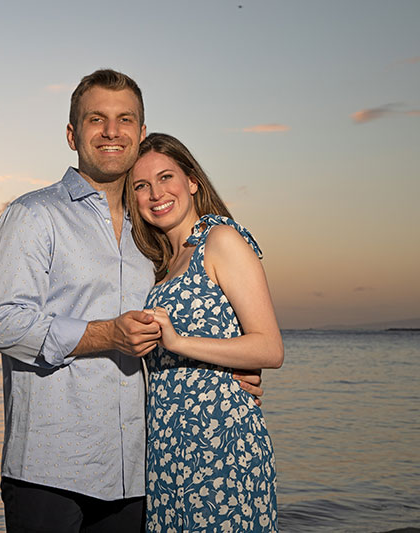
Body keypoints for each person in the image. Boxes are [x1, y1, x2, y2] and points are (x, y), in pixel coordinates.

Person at [0, 70, 264, 532]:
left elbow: (189, 322)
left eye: (124, 119)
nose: (112, 131)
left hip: (138, 475)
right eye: (97, 119)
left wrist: (229, 372)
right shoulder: (33, 215)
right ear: (73, 134)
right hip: (50, 471)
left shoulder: (152, 236)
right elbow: (2, 324)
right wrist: (104, 334)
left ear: (141, 134)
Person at [127, 133, 283, 532]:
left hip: (223, 446)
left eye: (166, 177)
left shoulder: (221, 240)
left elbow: (269, 347)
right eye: (141, 186)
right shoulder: (162, 265)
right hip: (168, 449)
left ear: (192, 180)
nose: (155, 193)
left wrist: (178, 342)